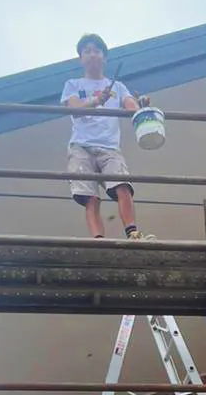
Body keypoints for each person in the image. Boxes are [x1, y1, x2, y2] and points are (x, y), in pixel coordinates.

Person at [61, 33, 153, 240]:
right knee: (91, 196)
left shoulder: (117, 86)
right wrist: (96, 101)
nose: (92, 55)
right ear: (80, 58)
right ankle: (98, 239)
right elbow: (74, 108)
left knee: (122, 186)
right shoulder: (73, 84)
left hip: (109, 147)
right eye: (87, 51)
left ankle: (133, 233)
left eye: (96, 51)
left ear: (104, 57)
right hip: (80, 147)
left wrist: (141, 106)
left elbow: (131, 106)